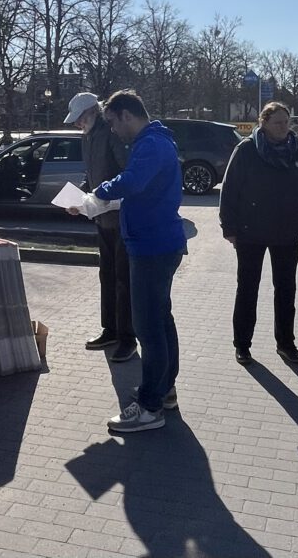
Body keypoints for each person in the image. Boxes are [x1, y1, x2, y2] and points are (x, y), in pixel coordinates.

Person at [93, 90, 187, 433]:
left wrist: (96, 195)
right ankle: (164, 390)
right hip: (157, 243)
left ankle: (149, 407)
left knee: (149, 328)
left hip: (152, 247)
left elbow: (132, 181)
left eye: (112, 122)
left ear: (127, 115)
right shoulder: (157, 141)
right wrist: (113, 203)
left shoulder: (150, 144)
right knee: (161, 322)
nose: (113, 130)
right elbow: (144, 192)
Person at [219, 101, 298, 366]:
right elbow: (229, 190)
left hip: (287, 233)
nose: (284, 127)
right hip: (251, 232)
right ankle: (243, 345)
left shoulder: (297, 151)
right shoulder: (247, 150)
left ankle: (286, 343)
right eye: (278, 123)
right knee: (247, 289)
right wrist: (229, 227)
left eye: (287, 122)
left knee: (286, 290)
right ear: (264, 124)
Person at [63, 92, 135, 362]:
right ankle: (111, 329)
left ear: (92, 112)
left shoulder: (111, 133)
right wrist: (79, 199)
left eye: (80, 119)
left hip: (118, 217)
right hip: (101, 217)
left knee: (123, 280)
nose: (77, 124)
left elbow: (125, 173)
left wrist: (98, 197)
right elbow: (92, 176)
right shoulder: (89, 136)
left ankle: (127, 337)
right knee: (107, 275)